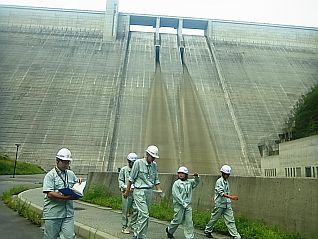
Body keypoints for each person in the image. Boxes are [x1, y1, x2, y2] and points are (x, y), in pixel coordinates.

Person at [42, 148, 82, 239]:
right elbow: (50, 193)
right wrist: (66, 198)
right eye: (64, 162)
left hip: (68, 214)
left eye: (68, 162)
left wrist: (79, 182)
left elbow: (76, 186)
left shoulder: (71, 174)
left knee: (69, 236)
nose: (66, 164)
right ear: (57, 161)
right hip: (53, 214)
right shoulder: (50, 175)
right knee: (50, 237)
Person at [123, 145, 162, 239]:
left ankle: (139, 235)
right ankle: (139, 236)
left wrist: (159, 190)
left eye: (154, 158)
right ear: (147, 154)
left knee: (142, 215)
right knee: (145, 214)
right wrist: (127, 192)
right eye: (152, 157)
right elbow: (131, 179)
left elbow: (156, 179)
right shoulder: (138, 163)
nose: (153, 159)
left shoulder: (154, 165)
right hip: (139, 191)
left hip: (149, 192)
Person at [204, 165, 241, 239]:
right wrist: (231, 197)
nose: (227, 175)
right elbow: (221, 193)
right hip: (220, 205)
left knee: (231, 220)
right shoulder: (219, 181)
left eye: (228, 174)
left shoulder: (226, 181)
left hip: (227, 204)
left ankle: (235, 235)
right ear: (222, 173)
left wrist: (229, 200)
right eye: (225, 174)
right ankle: (208, 230)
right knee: (214, 218)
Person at [166, 166, 200, 239]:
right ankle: (169, 230)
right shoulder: (176, 183)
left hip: (188, 205)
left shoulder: (189, 182)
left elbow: (196, 182)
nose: (180, 175)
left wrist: (197, 177)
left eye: (182, 173)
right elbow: (176, 195)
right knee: (177, 220)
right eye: (179, 173)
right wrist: (184, 204)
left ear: (186, 174)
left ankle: (189, 237)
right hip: (179, 205)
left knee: (189, 222)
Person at [118, 152, 138, 234]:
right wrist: (124, 187)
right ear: (128, 161)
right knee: (125, 211)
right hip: (126, 192)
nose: (132, 163)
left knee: (136, 210)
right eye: (131, 162)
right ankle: (124, 226)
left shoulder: (137, 170)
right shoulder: (124, 170)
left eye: (133, 162)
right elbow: (120, 180)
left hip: (135, 192)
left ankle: (132, 226)